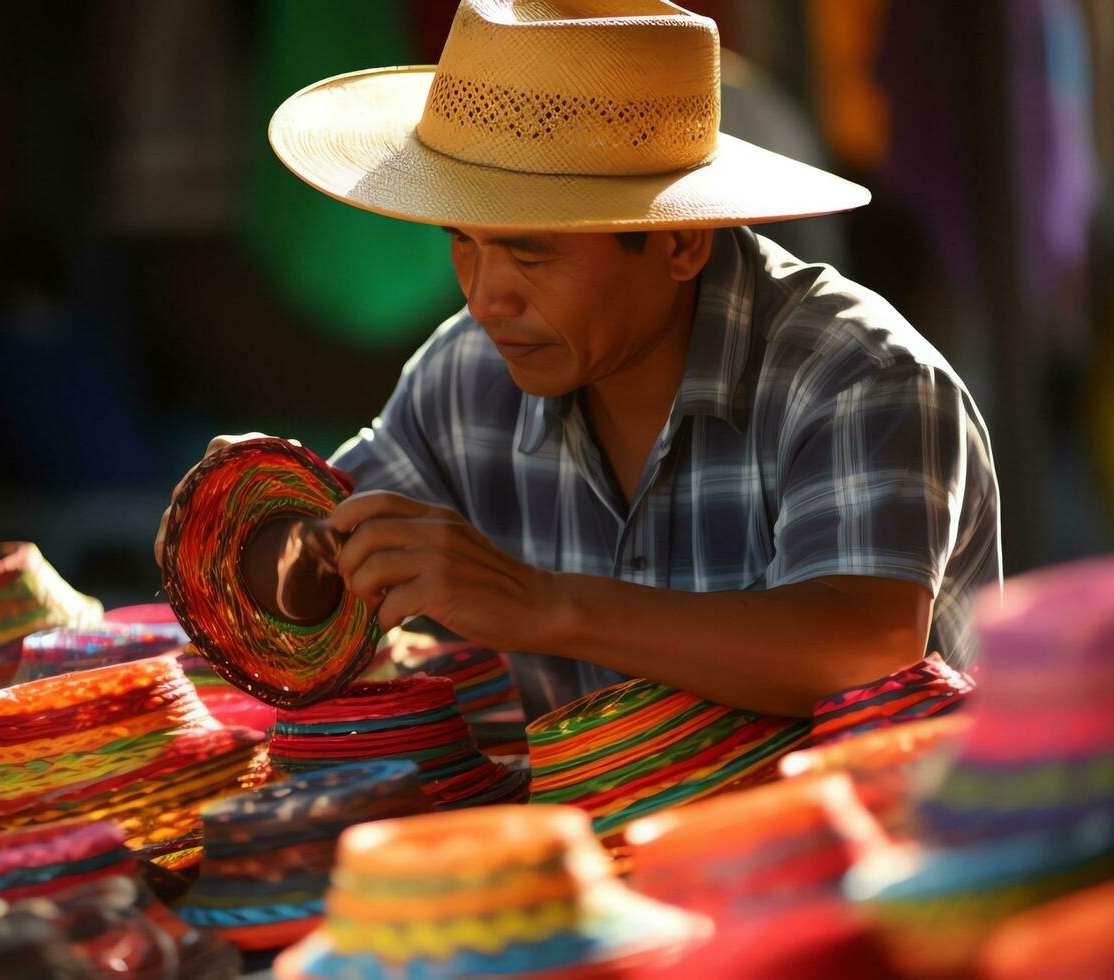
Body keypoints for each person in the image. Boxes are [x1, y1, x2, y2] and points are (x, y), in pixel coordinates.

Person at [159, 0, 1001, 719]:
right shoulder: (466, 377)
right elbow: (325, 573)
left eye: (531, 255)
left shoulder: (859, 378)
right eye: (463, 243)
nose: (487, 297)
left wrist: (541, 604)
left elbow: (864, 647)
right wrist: (270, 533)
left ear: (677, 240)